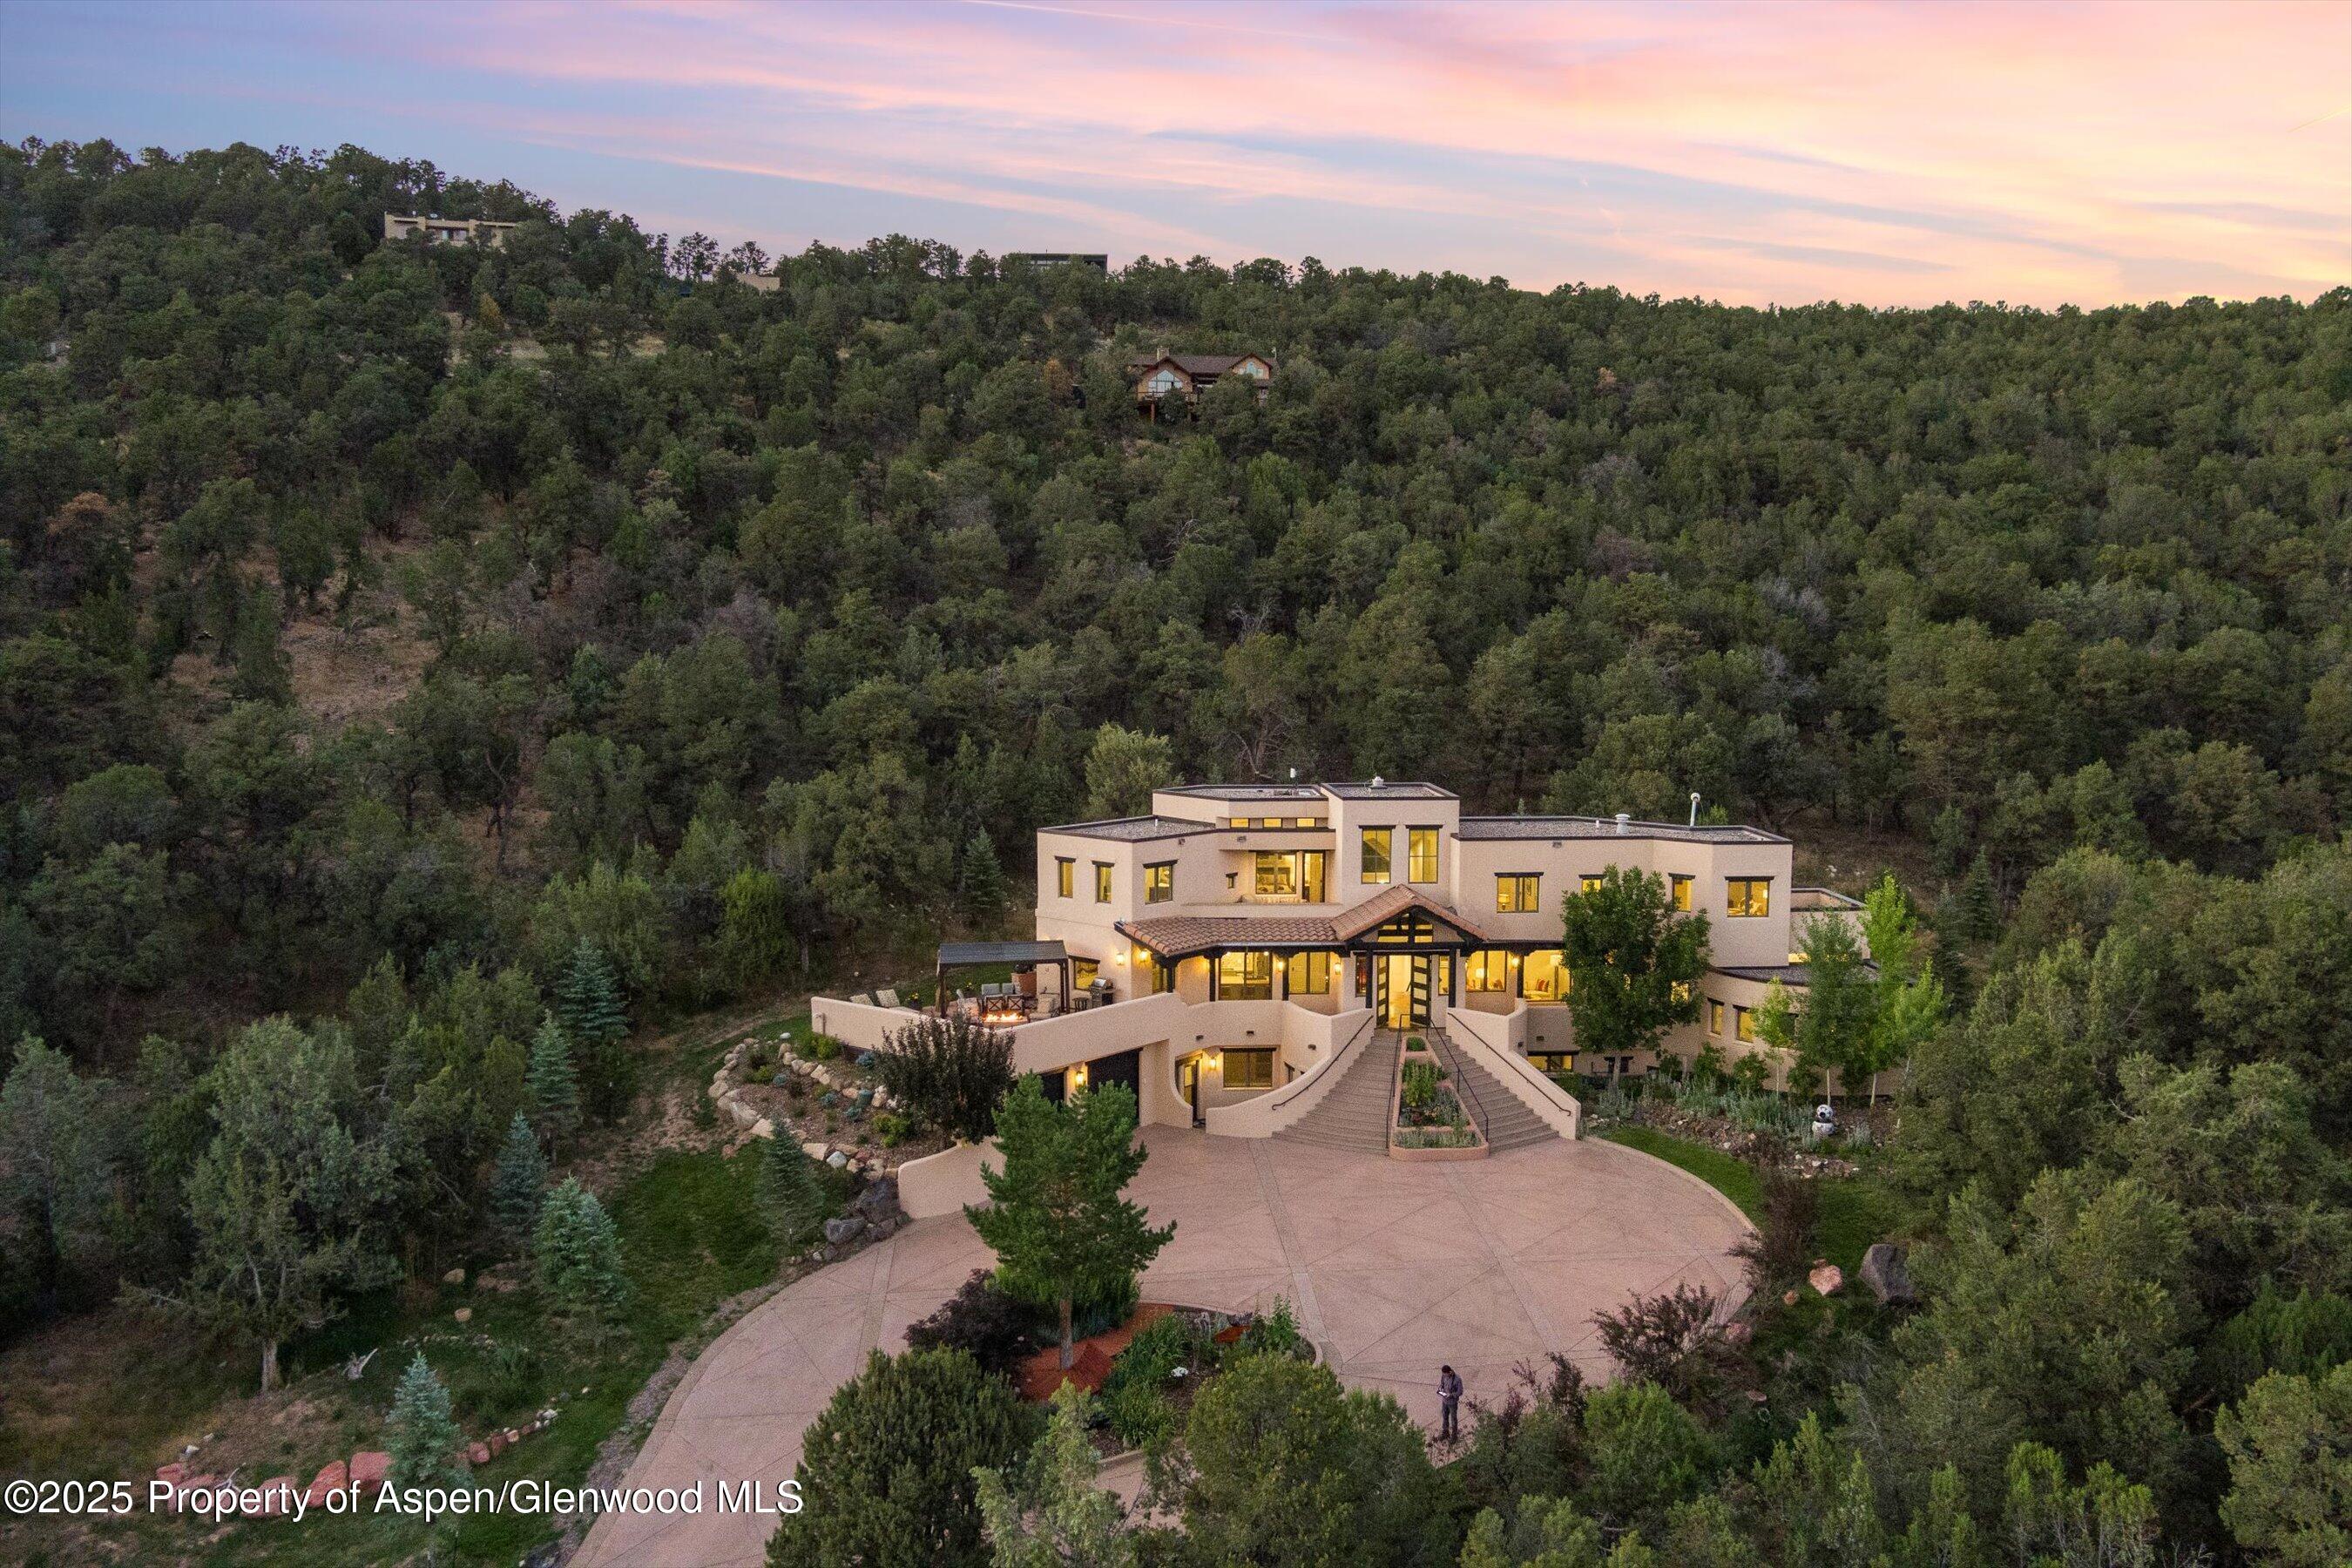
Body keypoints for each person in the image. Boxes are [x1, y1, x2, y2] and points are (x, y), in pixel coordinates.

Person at [1436, 1364, 1463, 1442]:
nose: (1444, 1375)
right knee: (1445, 1417)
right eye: (1443, 1374)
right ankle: (1445, 1433)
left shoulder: (1457, 1379)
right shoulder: (1443, 1376)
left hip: (1452, 1403)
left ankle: (1454, 1436)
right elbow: (1442, 1384)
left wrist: (1451, 1395)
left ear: (1449, 1372)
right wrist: (1441, 1389)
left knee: (1453, 1419)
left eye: (1445, 1374)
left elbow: (1460, 1392)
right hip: (1445, 1401)